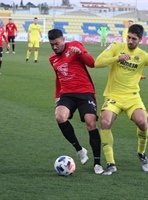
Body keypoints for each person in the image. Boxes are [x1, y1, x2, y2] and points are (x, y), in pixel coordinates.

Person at [94, 24, 148, 175]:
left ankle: (141, 153)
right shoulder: (116, 46)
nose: (130, 41)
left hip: (132, 97)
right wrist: (117, 58)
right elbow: (97, 63)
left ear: (140, 39)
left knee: (143, 122)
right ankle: (111, 163)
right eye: (129, 37)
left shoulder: (143, 55)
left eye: (134, 39)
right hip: (113, 96)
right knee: (105, 122)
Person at [48, 28, 107, 175]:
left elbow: (92, 63)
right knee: (60, 117)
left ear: (63, 39)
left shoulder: (75, 45)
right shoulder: (52, 59)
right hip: (66, 94)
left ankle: (97, 163)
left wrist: (80, 53)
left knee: (90, 122)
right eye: (52, 45)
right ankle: (80, 150)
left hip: (85, 92)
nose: (55, 47)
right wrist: (57, 96)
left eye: (57, 43)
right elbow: (58, 78)